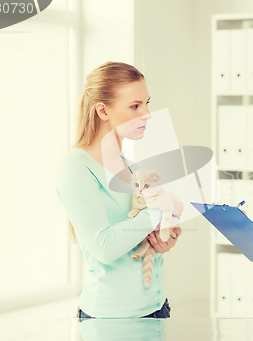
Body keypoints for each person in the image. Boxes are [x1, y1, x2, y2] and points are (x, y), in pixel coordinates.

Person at [55, 61, 184, 319]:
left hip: (156, 308)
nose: (147, 113)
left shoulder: (130, 166)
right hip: (113, 319)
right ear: (103, 110)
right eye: (135, 106)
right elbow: (104, 246)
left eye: (147, 103)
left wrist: (161, 241)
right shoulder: (76, 166)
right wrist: (160, 210)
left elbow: (136, 230)